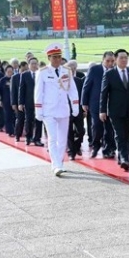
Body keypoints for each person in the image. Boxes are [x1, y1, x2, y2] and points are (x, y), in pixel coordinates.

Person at [34, 43, 80, 176]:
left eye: (59, 57)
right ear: (49, 58)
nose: (57, 59)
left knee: (62, 139)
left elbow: (72, 90)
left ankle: (59, 161)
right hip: (49, 110)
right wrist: (39, 110)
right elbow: (38, 92)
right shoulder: (42, 73)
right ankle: (56, 165)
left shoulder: (67, 71)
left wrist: (75, 106)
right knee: (52, 138)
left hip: (63, 109)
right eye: (54, 57)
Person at [99, 49, 129, 171]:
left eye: (126, 58)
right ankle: (124, 159)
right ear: (116, 60)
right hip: (115, 110)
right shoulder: (109, 74)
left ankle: (122, 157)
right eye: (121, 58)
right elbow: (104, 93)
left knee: (126, 133)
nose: (124, 60)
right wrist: (102, 110)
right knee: (119, 135)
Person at [82, 51, 117, 158]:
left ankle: (108, 149)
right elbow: (86, 86)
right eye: (108, 61)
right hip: (95, 103)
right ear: (103, 60)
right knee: (97, 126)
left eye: (112, 61)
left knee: (109, 129)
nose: (110, 63)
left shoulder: (115, 71)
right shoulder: (94, 70)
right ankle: (96, 145)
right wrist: (84, 102)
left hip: (110, 104)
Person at [19, 58, 44, 146]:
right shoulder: (25, 75)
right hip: (28, 102)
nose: (34, 65)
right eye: (32, 63)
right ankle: (28, 137)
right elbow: (21, 89)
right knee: (28, 120)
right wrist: (20, 103)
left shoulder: (41, 74)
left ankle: (37, 138)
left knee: (39, 120)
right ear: (29, 65)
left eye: (35, 63)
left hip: (40, 102)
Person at [65, 61, 85, 160]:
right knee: (69, 132)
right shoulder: (62, 82)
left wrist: (84, 109)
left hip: (78, 110)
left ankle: (77, 147)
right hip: (66, 111)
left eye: (74, 69)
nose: (72, 71)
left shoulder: (78, 81)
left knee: (81, 131)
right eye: (70, 69)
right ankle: (71, 152)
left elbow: (82, 96)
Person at [0, 65, 15, 137]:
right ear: (5, 72)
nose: (10, 73)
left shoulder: (15, 78)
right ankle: (9, 131)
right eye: (8, 72)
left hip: (14, 101)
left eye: (11, 71)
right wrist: (0, 100)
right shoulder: (2, 80)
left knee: (14, 116)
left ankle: (15, 130)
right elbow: (0, 91)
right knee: (8, 116)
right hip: (6, 101)